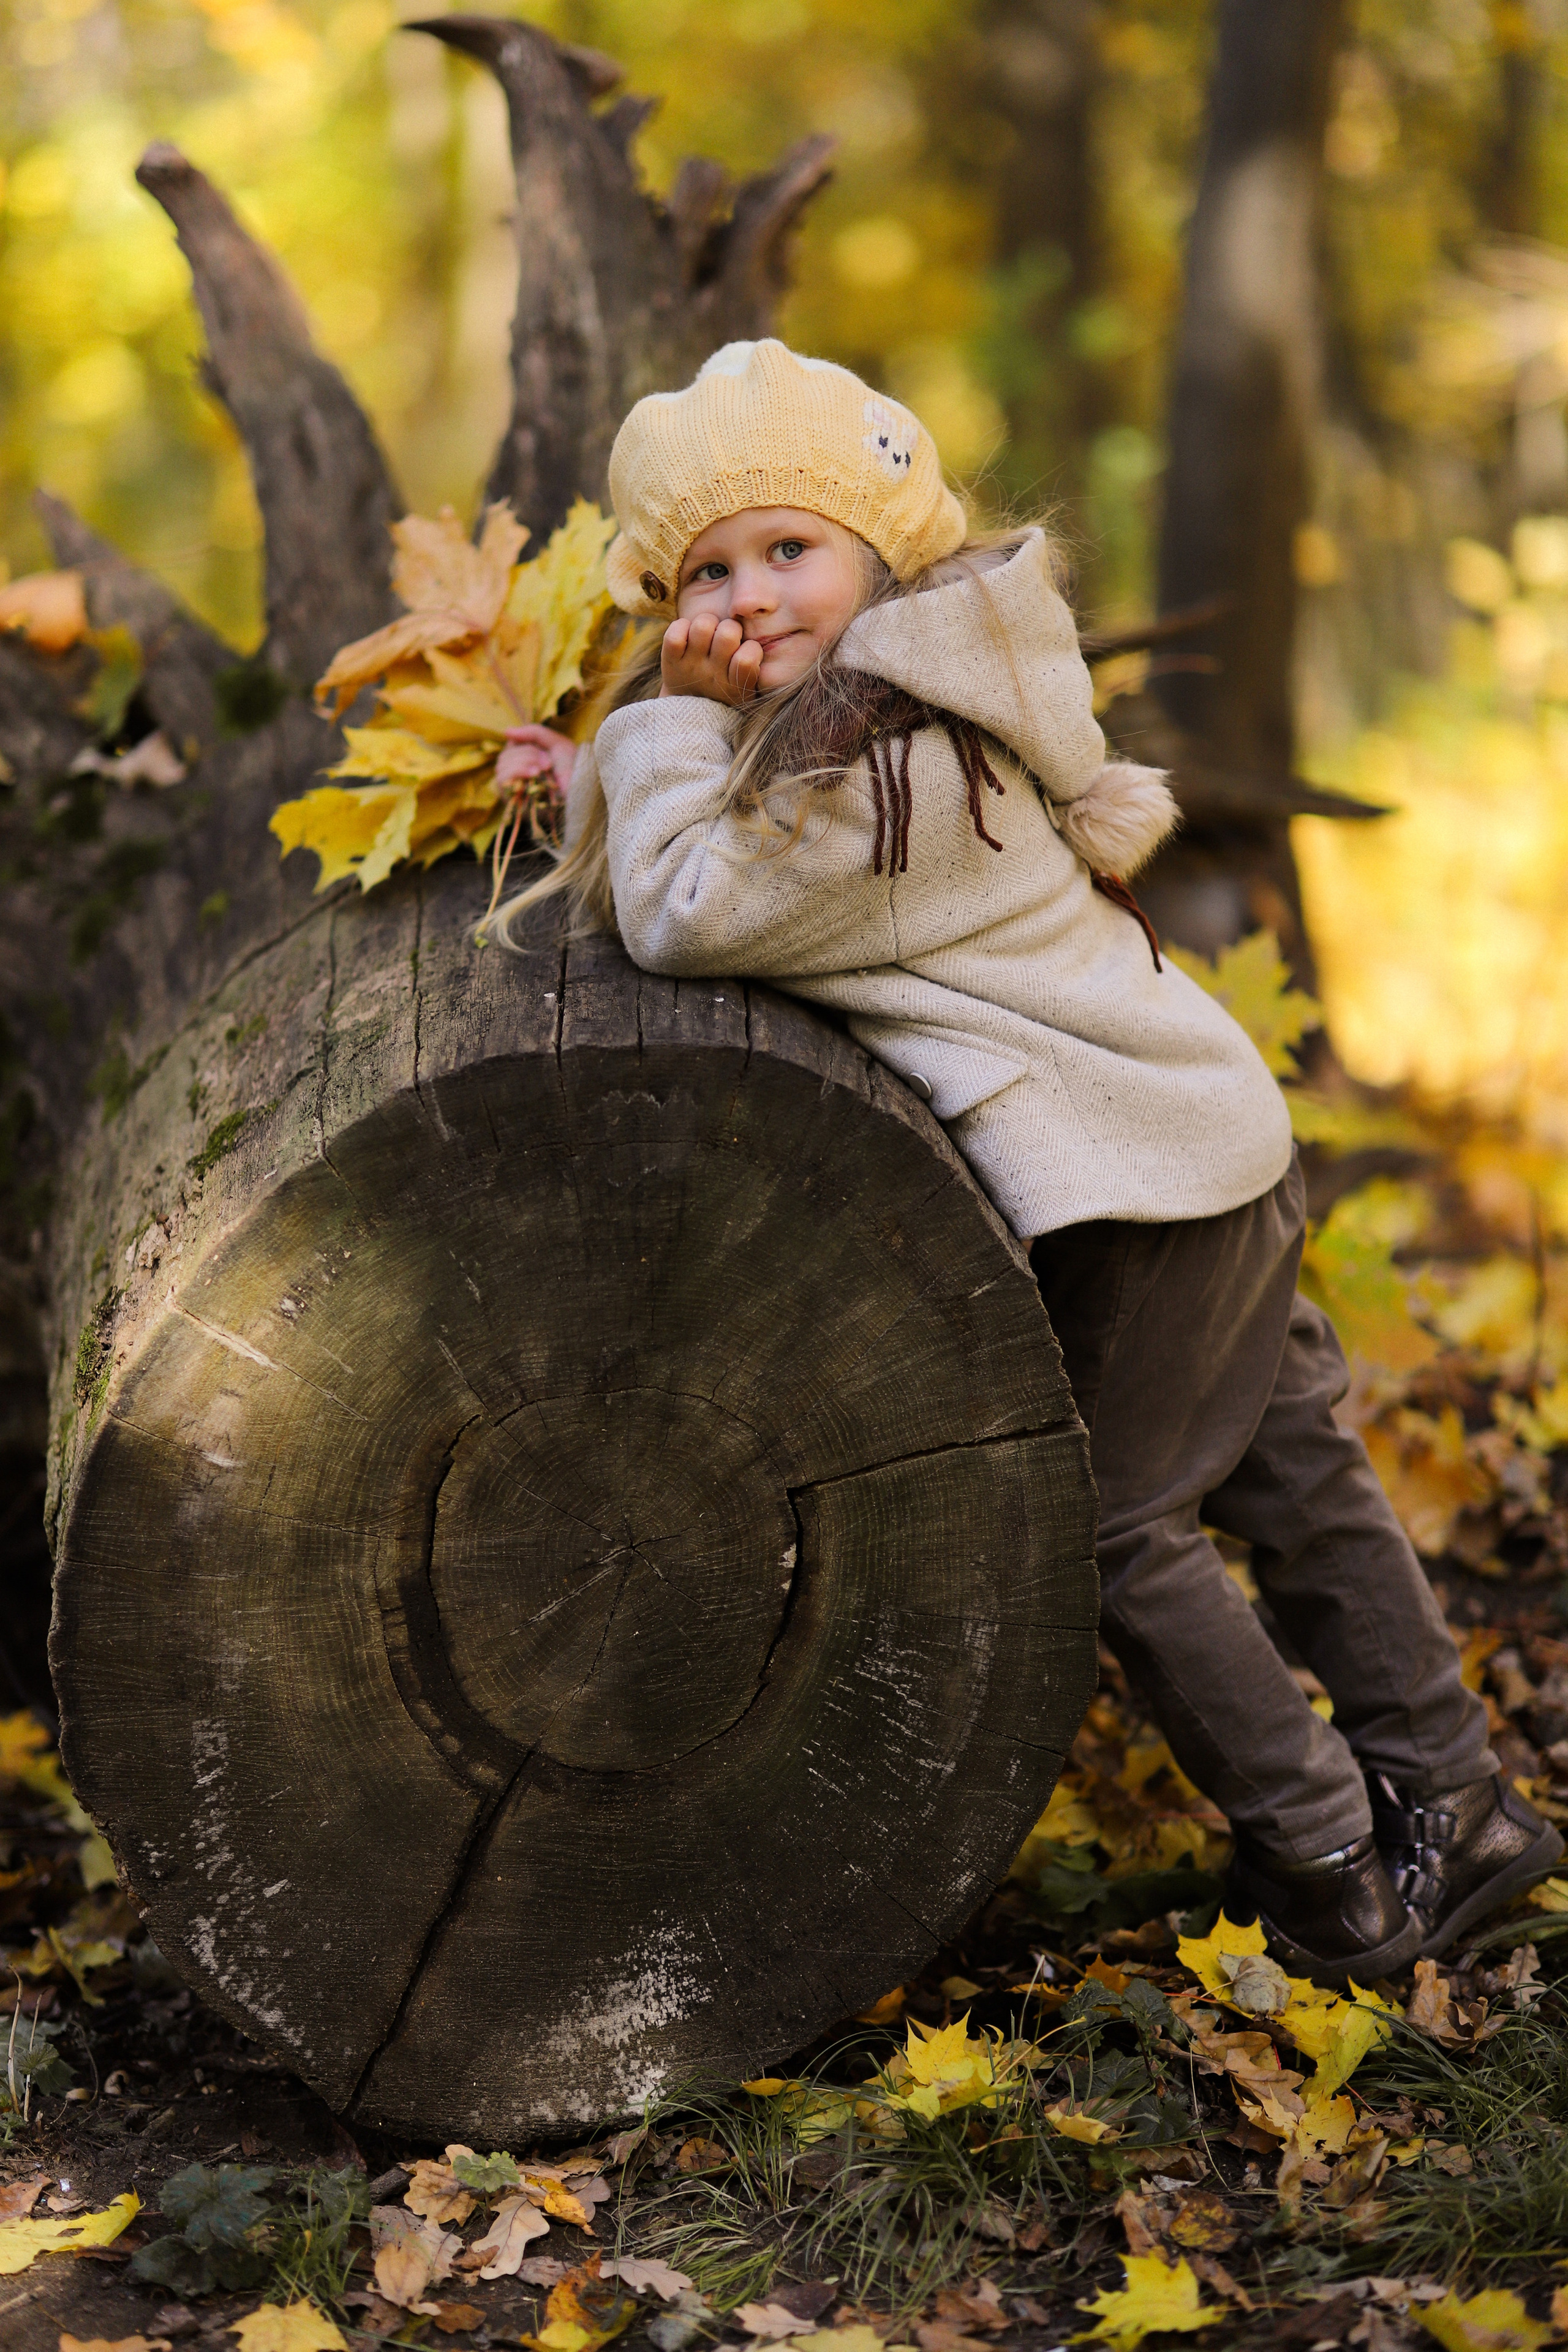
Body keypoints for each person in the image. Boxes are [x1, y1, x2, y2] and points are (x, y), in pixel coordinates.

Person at [499, 338, 1561, 1983]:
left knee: (1118, 1533)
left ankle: (1343, 1868)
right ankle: (1461, 1804)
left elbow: (689, 909)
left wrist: (664, 730)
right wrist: (614, 762)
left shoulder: (875, 767)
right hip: (1198, 1139)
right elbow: (730, 852)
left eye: (793, 549)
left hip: (1135, 1192)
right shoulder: (925, 692)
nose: (755, 593)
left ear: (884, 552)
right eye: (711, 567)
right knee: (1302, 1485)